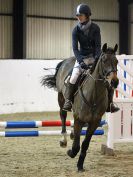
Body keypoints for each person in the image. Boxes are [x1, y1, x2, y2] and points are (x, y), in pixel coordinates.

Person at [63, 4, 119, 113]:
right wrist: (80, 61)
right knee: (73, 77)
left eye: (81, 15)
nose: (78, 17)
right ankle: (68, 101)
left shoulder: (95, 28)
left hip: (95, 57)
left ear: (87, 16)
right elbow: (75, 49)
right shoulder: (75, 30)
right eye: (77, 15)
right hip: (82, 58)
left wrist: (97, 58)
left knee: (107, 77)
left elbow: (98, 46)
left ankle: (110, 104)